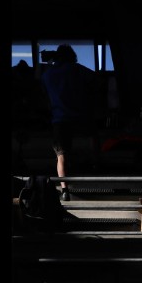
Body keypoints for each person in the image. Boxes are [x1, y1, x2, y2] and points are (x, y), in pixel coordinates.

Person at [41, 44, 98, 202]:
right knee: (92, 141)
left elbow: (40, 84)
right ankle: (96, 172)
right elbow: (95, 79)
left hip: (59, 119)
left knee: (61, 155)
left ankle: (65, 190)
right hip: (80, 116)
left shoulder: (48, 74)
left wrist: (49, 63)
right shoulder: (76, 69)